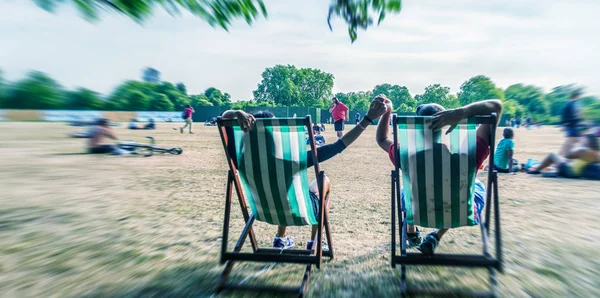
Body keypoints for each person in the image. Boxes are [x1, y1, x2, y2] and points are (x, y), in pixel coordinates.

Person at [221, 97, 388, 250]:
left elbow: (224, 119)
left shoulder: (238, 159)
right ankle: (315, 241)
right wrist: (367, 119)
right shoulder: (291, 160)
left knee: (283, 189)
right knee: (323, 180)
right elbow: (338, 146)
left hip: (263, 210)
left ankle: (280, 238)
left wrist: (237, 113)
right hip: (298, 211)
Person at [376, 95, 503, 255]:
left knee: (405, 190)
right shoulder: (469, 153)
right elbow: (496, 106)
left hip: (418, 211)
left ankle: (411, 230)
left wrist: (387, 110)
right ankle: (437, 235)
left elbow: (381, 139)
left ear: (418, 128)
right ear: (445, 124)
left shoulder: (406, 154)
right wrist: (461, 112)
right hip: (459, 212)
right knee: (475, 186)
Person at [527, 134, 599, 178]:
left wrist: (578, 146)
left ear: (588, 142)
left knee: (552, 155)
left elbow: (567, 155)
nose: (582, 140)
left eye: (584, 140)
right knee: (563, 161)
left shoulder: (583, 150)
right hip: (576, 173)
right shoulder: (596, 153)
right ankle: (540, 168)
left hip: (569, 171)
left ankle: (536, 170)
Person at [560, 90, 584, 155]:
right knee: (572, 140)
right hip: (573, 124)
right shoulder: (573, 103)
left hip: (572, 124)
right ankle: (563, 155)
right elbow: (577, 114)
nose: (581, 97)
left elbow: (564, 115)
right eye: (580, 96)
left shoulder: (571, 103)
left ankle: (564, 155)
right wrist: (564, 124)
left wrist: (563, 124)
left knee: (572, 140)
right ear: (577, 95)